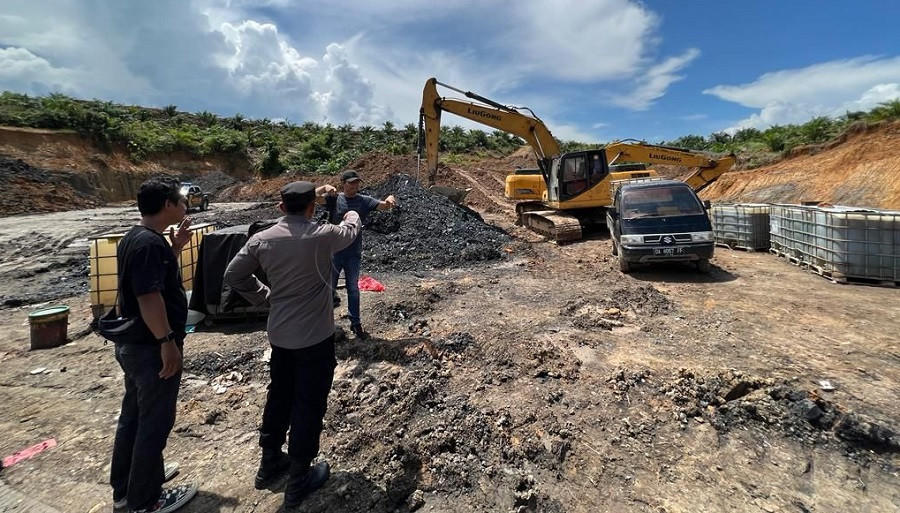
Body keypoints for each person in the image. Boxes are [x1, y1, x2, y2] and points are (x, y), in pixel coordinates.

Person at [224, 181, 360, 509]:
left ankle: (269, 462)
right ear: (312, 208)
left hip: (280, 337)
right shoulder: (323, 235)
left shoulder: (261, 240)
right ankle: (299, 479)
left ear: (281, 208)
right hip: (315, 339)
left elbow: (233, 275)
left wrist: (266, 297)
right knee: (308, 405)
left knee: (280, 395)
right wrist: (353, 209)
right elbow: (349, 232)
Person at [110, 176, 197, 513]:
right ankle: (146, 501)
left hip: (134, 344)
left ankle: (127, 488)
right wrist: (166, 342)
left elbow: (149, 282)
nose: (185, 205)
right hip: (150, 347)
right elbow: (149, 297)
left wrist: (175, 249)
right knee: (154, 421)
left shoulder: (140, 238)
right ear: (167, 206)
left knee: (132, 416)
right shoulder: (148, 244)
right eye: (180, 200)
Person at [327, 170, 395, 339]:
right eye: (351, 183)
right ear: (343, 183)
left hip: (353, 253)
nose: (355, 185)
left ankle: (355, 323)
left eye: (357, 182)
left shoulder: (363, 201)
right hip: (334, 252)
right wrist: (324, 187)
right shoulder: (335, 199)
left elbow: (384, 206)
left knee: (352, 288)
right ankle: (325, 324)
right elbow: (311, 198)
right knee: (329, 288)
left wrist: (390, 199)